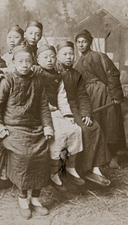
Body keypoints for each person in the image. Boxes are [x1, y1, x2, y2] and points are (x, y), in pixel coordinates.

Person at [0, 43, 53, 219]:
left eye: (28, 61)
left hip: (35, 127)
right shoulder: (8, 80)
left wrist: (47, 126)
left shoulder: (37, 81)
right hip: (13, 127)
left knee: (42, 153)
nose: (24, 64)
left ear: (33, 62)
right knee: (25, 155)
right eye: (20, 61)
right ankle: (23, 198)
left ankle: (36, 198)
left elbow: (43, 107)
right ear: (14, 62)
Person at [56, 40, 112, 186]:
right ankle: (77, 167)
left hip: (75, 107)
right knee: (82, 130)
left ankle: (94, 168)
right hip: (60, 108)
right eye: (65, 54)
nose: (69, 57)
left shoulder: (76, 74)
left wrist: (86, 113)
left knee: (94, 127)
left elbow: (83, 96)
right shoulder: (54, 72)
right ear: (57, 56)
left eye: (71, 54)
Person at [74, 30, 126, 169]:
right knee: (96, 124)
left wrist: (115, 95)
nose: (81, 45)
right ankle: (100, 157)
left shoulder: (100, 57)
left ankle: (113, 157)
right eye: (78, 42)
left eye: (84, 41)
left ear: (89, 42)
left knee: (111, 123)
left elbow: (112, 74)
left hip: (104, 93)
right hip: (87, 96)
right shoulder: (77, 63)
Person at [35, 44, 84, 192]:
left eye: (52, 56)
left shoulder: (58, 76)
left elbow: (61, 97)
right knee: (59, 134)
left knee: (75, 129)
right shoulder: (35, 74)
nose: (49, 60)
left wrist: (68, 115)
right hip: (39, 112)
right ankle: (54, 171)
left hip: (55, 111)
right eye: (45, 57)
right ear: (37, 60)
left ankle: (70, 166)